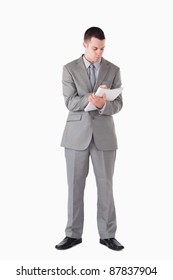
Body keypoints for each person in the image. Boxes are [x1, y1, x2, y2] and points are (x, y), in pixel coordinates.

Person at [55, 27, 124, 251]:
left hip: (104, 135)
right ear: (84, 44)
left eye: (102, 48)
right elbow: (70, 103)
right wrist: (91, 97)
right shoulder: (69, 69)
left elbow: (119, 103)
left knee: (106, 187)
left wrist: (105, 104)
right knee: (74, 186)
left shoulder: (113, 69)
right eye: (95, 48)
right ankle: (73, 234)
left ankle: (107, 235)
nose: (99, 53)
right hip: (76, 136)